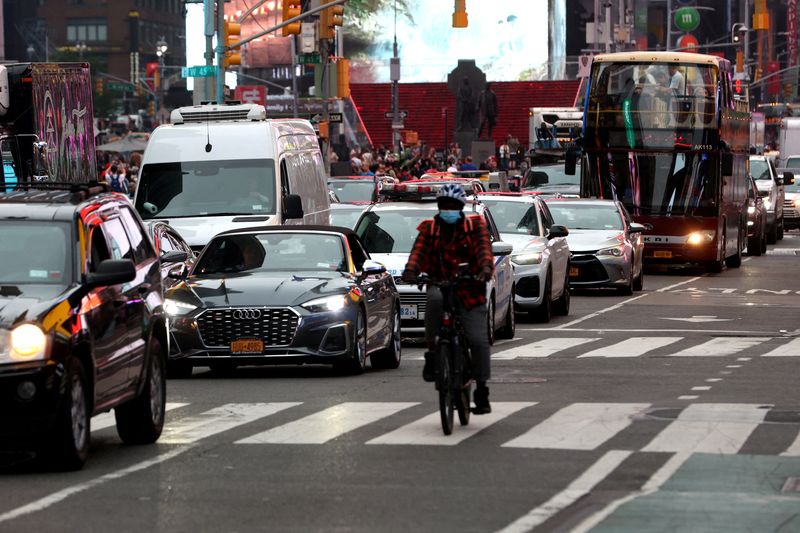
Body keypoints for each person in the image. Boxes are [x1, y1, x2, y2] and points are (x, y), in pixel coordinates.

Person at [401, 183, 495, 414]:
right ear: (439, 206)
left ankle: (481, 390)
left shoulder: (475, 227)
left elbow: (484, 253)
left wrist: (483, 269)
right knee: (433, 303)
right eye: (445, 206)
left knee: (478, 340)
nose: (448, 210)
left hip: (470, 289)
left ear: (461, 207)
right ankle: (433, 353)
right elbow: (417, 254)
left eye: (453, 206)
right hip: (440, 285)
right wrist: (411, 273)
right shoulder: (430, 229)